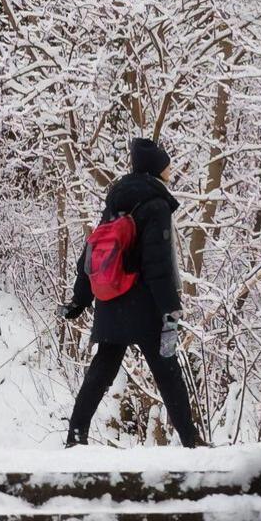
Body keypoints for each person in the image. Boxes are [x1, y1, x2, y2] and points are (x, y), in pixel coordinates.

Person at [60, 137, 201, 448]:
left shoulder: (116, 202)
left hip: (111, 302)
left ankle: (75, 436)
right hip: (145, 305)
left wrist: (80, 301)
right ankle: (190, 440)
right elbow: (158, 264)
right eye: (168, 167)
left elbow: (91, 252)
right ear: (156, 170)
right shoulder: (156, 203)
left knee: (101, 371)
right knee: (167, 371)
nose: (171, 172)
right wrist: (170, 309)